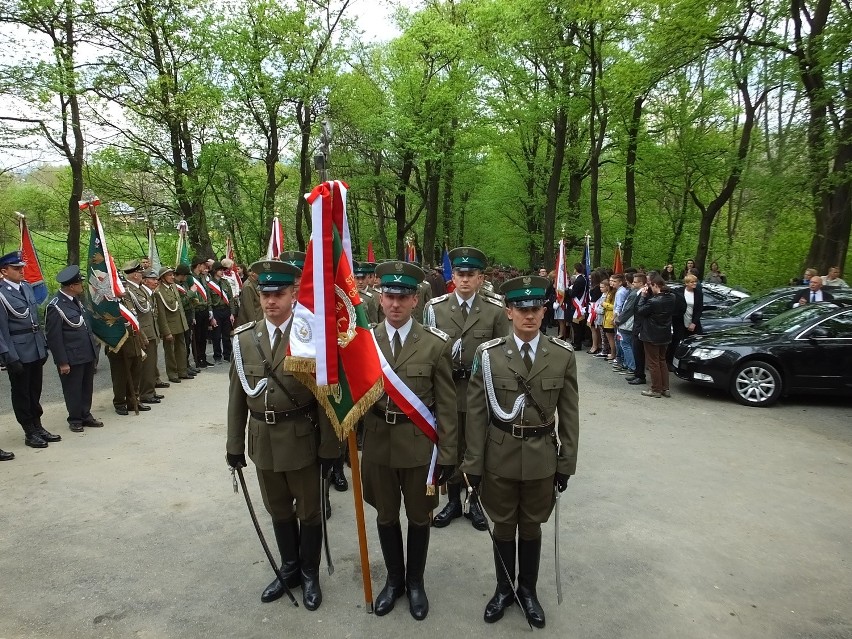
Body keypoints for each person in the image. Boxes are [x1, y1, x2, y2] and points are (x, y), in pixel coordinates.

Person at [461, 274, 579, 628]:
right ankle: (503, 589)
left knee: (531, 527)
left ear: (544, 311)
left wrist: (566, 464)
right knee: (503, 524)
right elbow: (476, 415)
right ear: (508, 311)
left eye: (536, 308)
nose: (529, 315)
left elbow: (570, 415)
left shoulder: (560, 355)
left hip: (543, 457)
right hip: (500, 454)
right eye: (521, 308)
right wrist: (474, 466)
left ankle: (527, 591)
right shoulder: (489, 355)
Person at [225, 260, 339, 611]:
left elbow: (325, 396)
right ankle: (289, 568)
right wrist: (233, 444)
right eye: (265, 294)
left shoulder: (310, 335)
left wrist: (330, 447)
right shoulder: (244, 339)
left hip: (301, 439)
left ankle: (309, 574)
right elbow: (236, 395)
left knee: (308, 512)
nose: (271, 301)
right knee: (278, 510)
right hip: (263, 441)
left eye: (279, 294)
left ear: (293, 295)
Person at [363, 260, 456, 620]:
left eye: (403, 297)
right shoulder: (364, 342)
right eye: (389, 296)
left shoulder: (435, 344)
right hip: (378, 445)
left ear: (416, 300)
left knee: (419, 517)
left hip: (420, 447)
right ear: (380, 298)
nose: (396, 303)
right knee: (386, 516)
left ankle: (415, 583)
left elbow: (447, 404)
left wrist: (448, 453)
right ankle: (394, 580)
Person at [425, 246, 509, 532]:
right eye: (459, 273)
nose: (464, 279)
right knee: (450, 445)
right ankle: (452, 501)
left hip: (478, 393)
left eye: (470, 275)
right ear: (453, 276)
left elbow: (503, 355)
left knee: (476, 445)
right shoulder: (435, 309)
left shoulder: (495, 310)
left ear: (480, 278)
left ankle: (474, 501)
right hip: (447, 392)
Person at [0, 250, 61, 448]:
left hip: (34, 347)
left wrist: (42, 345)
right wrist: (8, 355)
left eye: (21, 268)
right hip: (17, 350)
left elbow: (34, 319)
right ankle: (29, 431)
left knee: (35, 389)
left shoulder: (26, 288)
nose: (21, 272)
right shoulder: (1, 294)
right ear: (4, 271)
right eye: (16, 269)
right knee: (21, 392)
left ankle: (38, 425)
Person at [45, 265, 103, 433]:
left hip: (86, 353)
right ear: (71, 286)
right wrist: (62, 362)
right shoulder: (55, 306)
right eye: (79, 283)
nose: (82, 286)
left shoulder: (76, 301)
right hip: (71, 356)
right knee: (73, 388)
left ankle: (85, 414)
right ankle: (75, 418)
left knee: (86, 386)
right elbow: (54, 338)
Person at [125, 265, 165, 405]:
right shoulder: (129, 291)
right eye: (140, 273)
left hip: (150, 330)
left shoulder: (139, 289)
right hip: (144, 333)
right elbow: (134, 315)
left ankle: (150, 390)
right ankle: (146, 394)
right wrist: (141, 334)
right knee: (146, 365)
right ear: (135, 275)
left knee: (151, 364)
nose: (142, 275)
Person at [636, 273, 676, 398]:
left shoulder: (653, 301)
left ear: (655, 285)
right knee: (662, 360)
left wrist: (643, 296)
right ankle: (665, 388)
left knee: (653, 362)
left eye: (651, 286)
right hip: (665, 333)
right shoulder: (672, 297)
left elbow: (640, 311)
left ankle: (656, 389)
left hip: (651, 334)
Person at [155, 266, 191, 383]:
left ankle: (182, 371)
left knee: (181, 348)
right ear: (162, 278)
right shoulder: (159, 292)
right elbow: (161, 314)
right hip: (170, 325)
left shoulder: (174, 287)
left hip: (179, 323)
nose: (172, 277)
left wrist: (184, 323)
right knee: (170, 351)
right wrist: (166, 331)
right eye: (169, 275)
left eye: (172, 275)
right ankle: (172, 373)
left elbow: (179, 307)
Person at [668, 274, 704, 367]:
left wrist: (694, 323)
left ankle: (693, 363)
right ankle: (671, 363)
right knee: (676, 342)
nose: (694, 283)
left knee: (695, 342)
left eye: (695, 281)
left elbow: (699, 309)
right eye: (692, 282)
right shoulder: (679, 292)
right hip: (680, 321)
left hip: (693, 321)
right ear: (686, 283)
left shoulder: (698, 293)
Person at [209, 262, 236, 364]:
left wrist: (232, 313)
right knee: (216, 335)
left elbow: (231, 298)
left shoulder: (226, 282)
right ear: (215, 271)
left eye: (222, 270)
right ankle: (217, 356)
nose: (222, 272)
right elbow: (209, 301)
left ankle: (227, 355)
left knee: (226, 334)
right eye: (220, 270)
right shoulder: (210, 284)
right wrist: (211, 317)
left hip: (226, 310)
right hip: (216, 311)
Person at [190, 257, 213, 368]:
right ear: (198, 266)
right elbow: (191, 298)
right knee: (197, 337)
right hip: (197, 311)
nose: (205, 267)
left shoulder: (203, 278)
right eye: (204, 265)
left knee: (203, 336)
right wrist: (193, 314)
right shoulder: (190, 278)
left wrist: (210, 310)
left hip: (204, 310)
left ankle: (203, 357)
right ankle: (198, 359)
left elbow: (207, 294)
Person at [626, 272, 647, 385]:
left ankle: (640, 376)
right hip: (636, 325)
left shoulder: (644, 294)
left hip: (640, 327)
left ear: (641, 283)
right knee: (636, 351)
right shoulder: (637, 293)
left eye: (635, 282)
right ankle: (637, 373)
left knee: (639, 352)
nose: (633, 284)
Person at [570, 262, 587, 350]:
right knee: (577, 325)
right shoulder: (583, 279)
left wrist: (569, 290)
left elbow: (573, 294)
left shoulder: (579, 280)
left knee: (576, 325)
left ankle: (577, 344)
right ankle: (576, 342)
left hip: (578, 305)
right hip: (578, 304)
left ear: (576, 269)